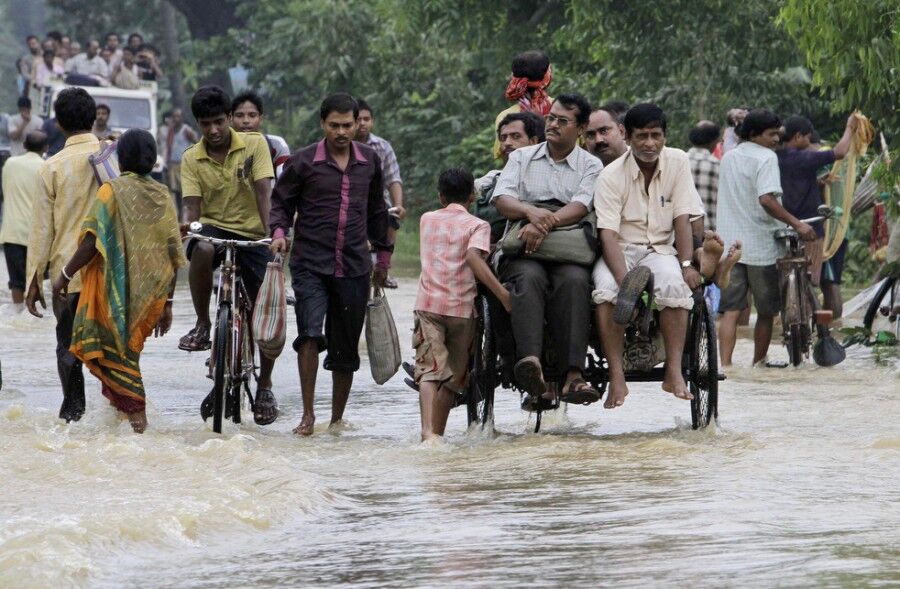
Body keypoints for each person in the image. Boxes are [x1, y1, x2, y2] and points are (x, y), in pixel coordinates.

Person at [269, 93, 393, 436]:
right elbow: (281, 203)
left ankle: (336, 419)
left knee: (345, 346)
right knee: (309, 333)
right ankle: (308, 415)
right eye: (334, 125)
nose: (341, 131)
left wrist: (383, 258)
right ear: (323, 124)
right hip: (310, 263)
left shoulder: (370, 160)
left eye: (347, 125)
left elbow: (377, 211)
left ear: (358, 124)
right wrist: (279, 231)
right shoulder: (304, 161)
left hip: (354, 265)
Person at [52, 130, 186, 433]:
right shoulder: (162, 194)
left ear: (120, 159)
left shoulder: (111, 192)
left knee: (122, 367)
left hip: (113, 297)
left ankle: (139, 428)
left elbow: (90, 244)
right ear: (153, 161)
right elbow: (172, 252)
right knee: (126, 360)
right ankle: (120, 434)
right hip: (149, 297)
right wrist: (167, 302)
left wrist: (63, 276)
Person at [491, 93, 602, 406]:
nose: (552, 124)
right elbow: (502, 199)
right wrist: (531, 214)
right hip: (524, 238)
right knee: (526, 278)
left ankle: (573, 375)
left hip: (567, 238)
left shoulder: (590, 165)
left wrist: (545, 222)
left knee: (575, 282)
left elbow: (581, 205)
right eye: (551, 118)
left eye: (562, 121)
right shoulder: (522, 158)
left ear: (580, 129)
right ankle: (531, 364)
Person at [179, 85, 279, 426]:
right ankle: (204, 323)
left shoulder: (254, 144)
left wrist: (270, 237)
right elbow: (193, 207)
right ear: (198, 124)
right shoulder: (191, 156)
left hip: (253, 234)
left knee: (265, 317)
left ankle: (264, 385)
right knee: (202, 247)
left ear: (229, 119)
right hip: (213, 231)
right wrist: (188, 225)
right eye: (206, 124)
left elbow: (265, 192)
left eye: (219, 122)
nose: (214, 130)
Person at [592, 103, 701, 408]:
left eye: (656, 136)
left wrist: (688, 264)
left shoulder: (678, 161)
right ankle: (617, 376)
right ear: (627, 136)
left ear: (665, 135)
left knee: (674, 287)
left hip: (661, 249)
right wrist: (624, 281)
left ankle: (674, 372)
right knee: (606, 292)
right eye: (642, 136)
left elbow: (682, 218)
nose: (650, 144)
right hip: (621, 250)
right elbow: (608, 235)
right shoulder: (611, 176)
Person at [414, 167, 511, 441]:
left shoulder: (426, 219)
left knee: (429, 369)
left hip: (429, 305)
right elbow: (473, 258)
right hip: (461, 310)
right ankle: (437, 433)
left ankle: (427, 433)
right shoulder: (478, 226)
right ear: (472, 195)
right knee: (454, 377)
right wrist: (502, 294)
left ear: (441, 197)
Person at [716, 109, 818, 367]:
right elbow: (767, 199)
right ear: (754, 134)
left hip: (730, 246)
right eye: (771, 134)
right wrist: (797, 224)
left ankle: (725, 367)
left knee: (730, 312)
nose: (776, 139)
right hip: (761, 245)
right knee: (766, 312)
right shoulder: (767, 158)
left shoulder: (728, 157)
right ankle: (758, 363)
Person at [25, 87, 101, 422]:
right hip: (109, 273)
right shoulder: (113, 156)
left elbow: (42, 231)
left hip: (66, 277)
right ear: (95, 116)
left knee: (68, 350)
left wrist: (32, 280)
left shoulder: (51, 168)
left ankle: (74, 414)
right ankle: (122, 415)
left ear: (58, 123)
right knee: (114, 350)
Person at [778, 114, 857, 293]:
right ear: (798, 136)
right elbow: (840, 152)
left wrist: (818, 183)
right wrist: (850, 128)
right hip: (810, 226)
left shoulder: (776, 157)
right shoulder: (805, 158)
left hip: (784, 224)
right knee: (811, 279)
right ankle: (810, 313)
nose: (809, 140)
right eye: (807, 137)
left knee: (784, 276)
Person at [355, 99, 404, 288]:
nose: (362, 123)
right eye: (358, 119)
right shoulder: (341, 145)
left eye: (366, 119)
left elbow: (393, 178)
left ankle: (383, 269)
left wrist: (399, 205)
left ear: (372, 121)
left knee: (391, 219)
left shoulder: (382, 146)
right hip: (350, 202)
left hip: (377, 204)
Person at [474, 111, 544, 243]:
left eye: (516, 136)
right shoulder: (493, 179)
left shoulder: (550, 177)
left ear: (534, 141)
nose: (507, 143)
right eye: (503, 138)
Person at [1, 131, 46, 311]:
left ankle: (17, 313)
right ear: (45, 148)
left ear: (24, 146)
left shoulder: (10, 164)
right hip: (38, 235)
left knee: (16, 283)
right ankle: (33, 317)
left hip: (12, 233)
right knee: (37, 281)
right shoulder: (46, 167)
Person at [492, 50, 553, 161]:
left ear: (515, 79)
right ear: (547, 76)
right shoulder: (565, 111)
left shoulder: (505, 117)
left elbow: (505, 158)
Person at [230, 90, 291, 174]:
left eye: (252, 115)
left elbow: (284, 182)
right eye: (239, 115)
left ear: (260, 119)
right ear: (231, 118)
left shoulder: (276, 145)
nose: (246, 121)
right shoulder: (221, 148)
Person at [158, 107, 197, 215]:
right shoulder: (170, 130)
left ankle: (185, 215)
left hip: (183, 165)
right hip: (172, 164)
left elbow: (196, 142)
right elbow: (167, 147)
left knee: (183, 191)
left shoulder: (186, 130)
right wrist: (165, 162)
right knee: (173, 190)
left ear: (182, 118)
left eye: (178, 116)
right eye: (174, 116)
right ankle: (176, 215)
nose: (176, 118)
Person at [687, 122, 721, 231]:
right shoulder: (718, 165)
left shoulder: (678, 162)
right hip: (709, 232)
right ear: (714, 141)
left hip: (680, 232)